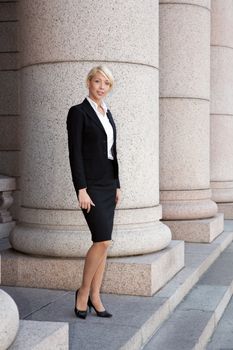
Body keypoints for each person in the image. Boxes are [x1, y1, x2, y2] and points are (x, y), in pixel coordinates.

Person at [66, 65, 121, 319]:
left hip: (109, 185)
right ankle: (83, 292)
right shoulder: (78, 113)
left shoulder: (107, 113)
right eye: (98, 81)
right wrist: (81, 189)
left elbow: (112, 152)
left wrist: (117, 184)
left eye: (106, 83)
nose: (101, 87)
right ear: (89, 82)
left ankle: (96, 297)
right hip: (91, 186)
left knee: (104, 243)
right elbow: (75, 153)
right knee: (102, 240)